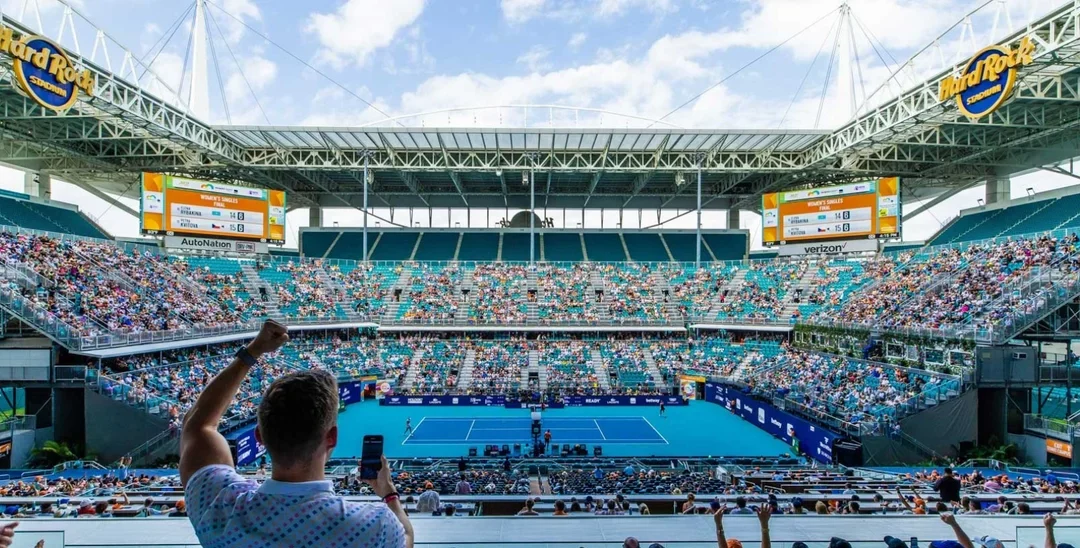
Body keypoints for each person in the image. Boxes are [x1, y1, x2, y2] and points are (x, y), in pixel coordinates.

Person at [179, 320, 415, 547]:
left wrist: (253, 352)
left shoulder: (218, 507)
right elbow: (405, 537)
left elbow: (198, 424)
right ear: (332, 437)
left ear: (259, 436)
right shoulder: (376, 527)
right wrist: (388, 492)